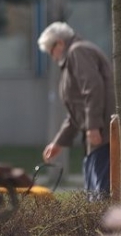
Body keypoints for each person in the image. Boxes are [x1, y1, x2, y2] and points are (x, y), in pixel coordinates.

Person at [38, 21, 114, 198]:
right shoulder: (74, 57)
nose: (53, 57)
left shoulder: (77, 51)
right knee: (93, 194)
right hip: (96, 137)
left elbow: (93, 88)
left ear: (60, 43)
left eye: (51, 51)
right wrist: (58, 142)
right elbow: (75, 113)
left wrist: (93, 126)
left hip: (103, 135)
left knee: (100, 196)